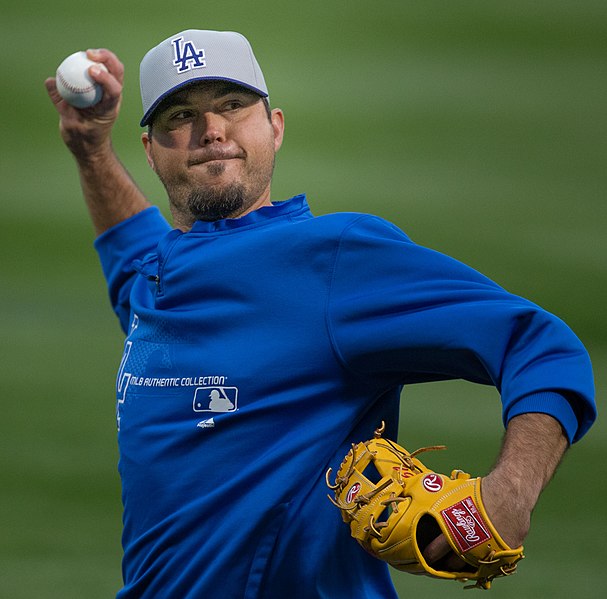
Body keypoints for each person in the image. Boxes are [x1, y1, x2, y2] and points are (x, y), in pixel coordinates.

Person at [45, 29, 596, 599]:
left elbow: (542, 346)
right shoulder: (156, 276)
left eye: (233, 106)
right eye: (181, 116)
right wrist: (90, 150)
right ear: (151, 151)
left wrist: (510, 494)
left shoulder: (335, 261)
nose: (211, 131)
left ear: (275, 127)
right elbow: (129, 247)